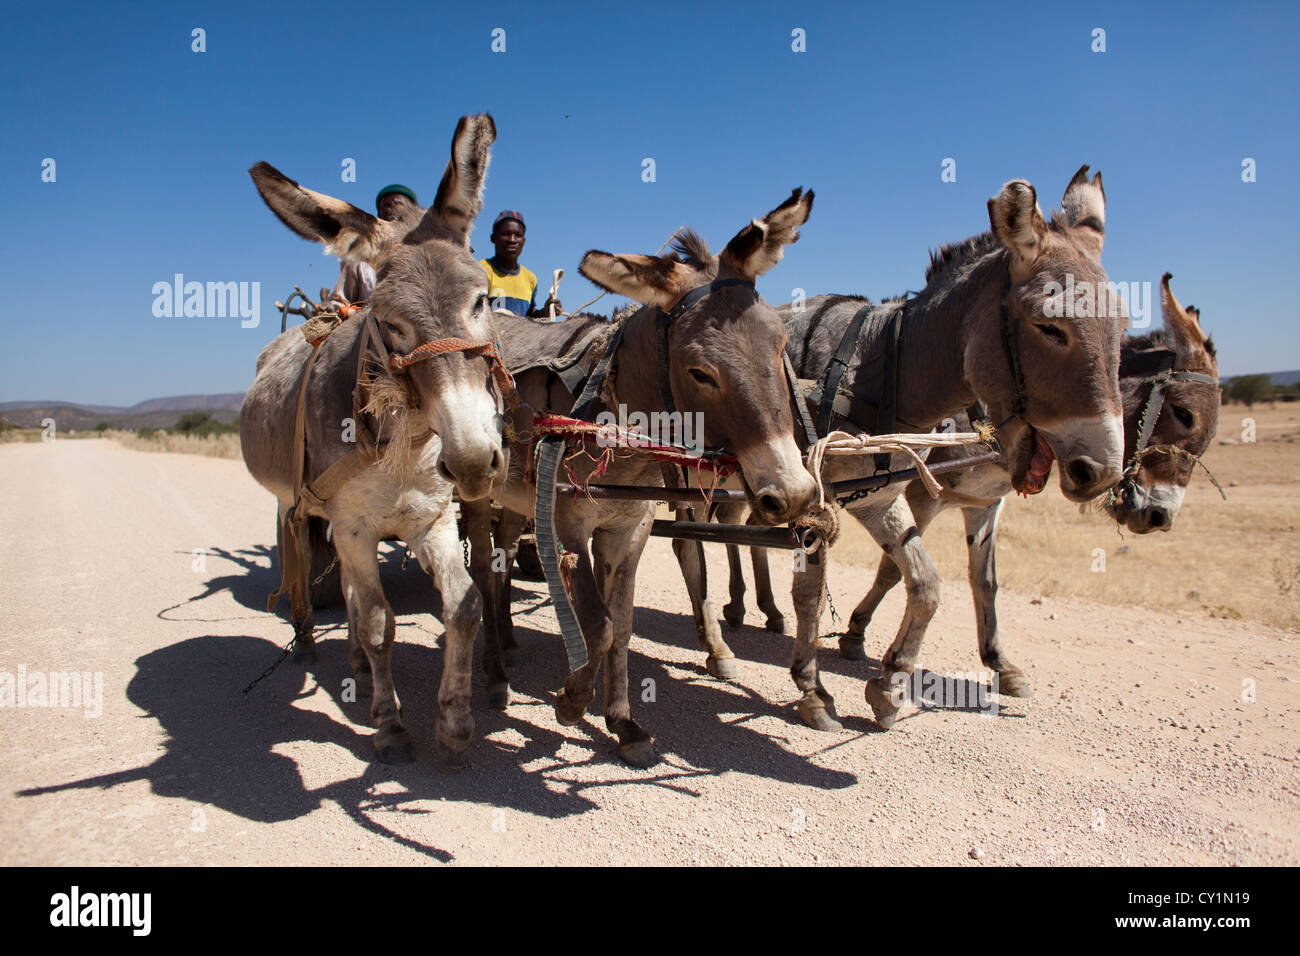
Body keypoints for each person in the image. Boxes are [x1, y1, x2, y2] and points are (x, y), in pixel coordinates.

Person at [327, 184, 418, 307]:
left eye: (398, 203)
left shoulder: (428, 259)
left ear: (414, 213)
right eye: (387, 206)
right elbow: (338, 302)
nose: (393, 209)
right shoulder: (360, 260)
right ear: (379, 215)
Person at [479, 210, 562, 319]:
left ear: (523, 241)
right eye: (506, 234)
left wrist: (545, 312)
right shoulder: (480, 271)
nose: (512, 240)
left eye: (518, 235)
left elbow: (529, 316)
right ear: (493, 238)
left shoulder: (530, 278)